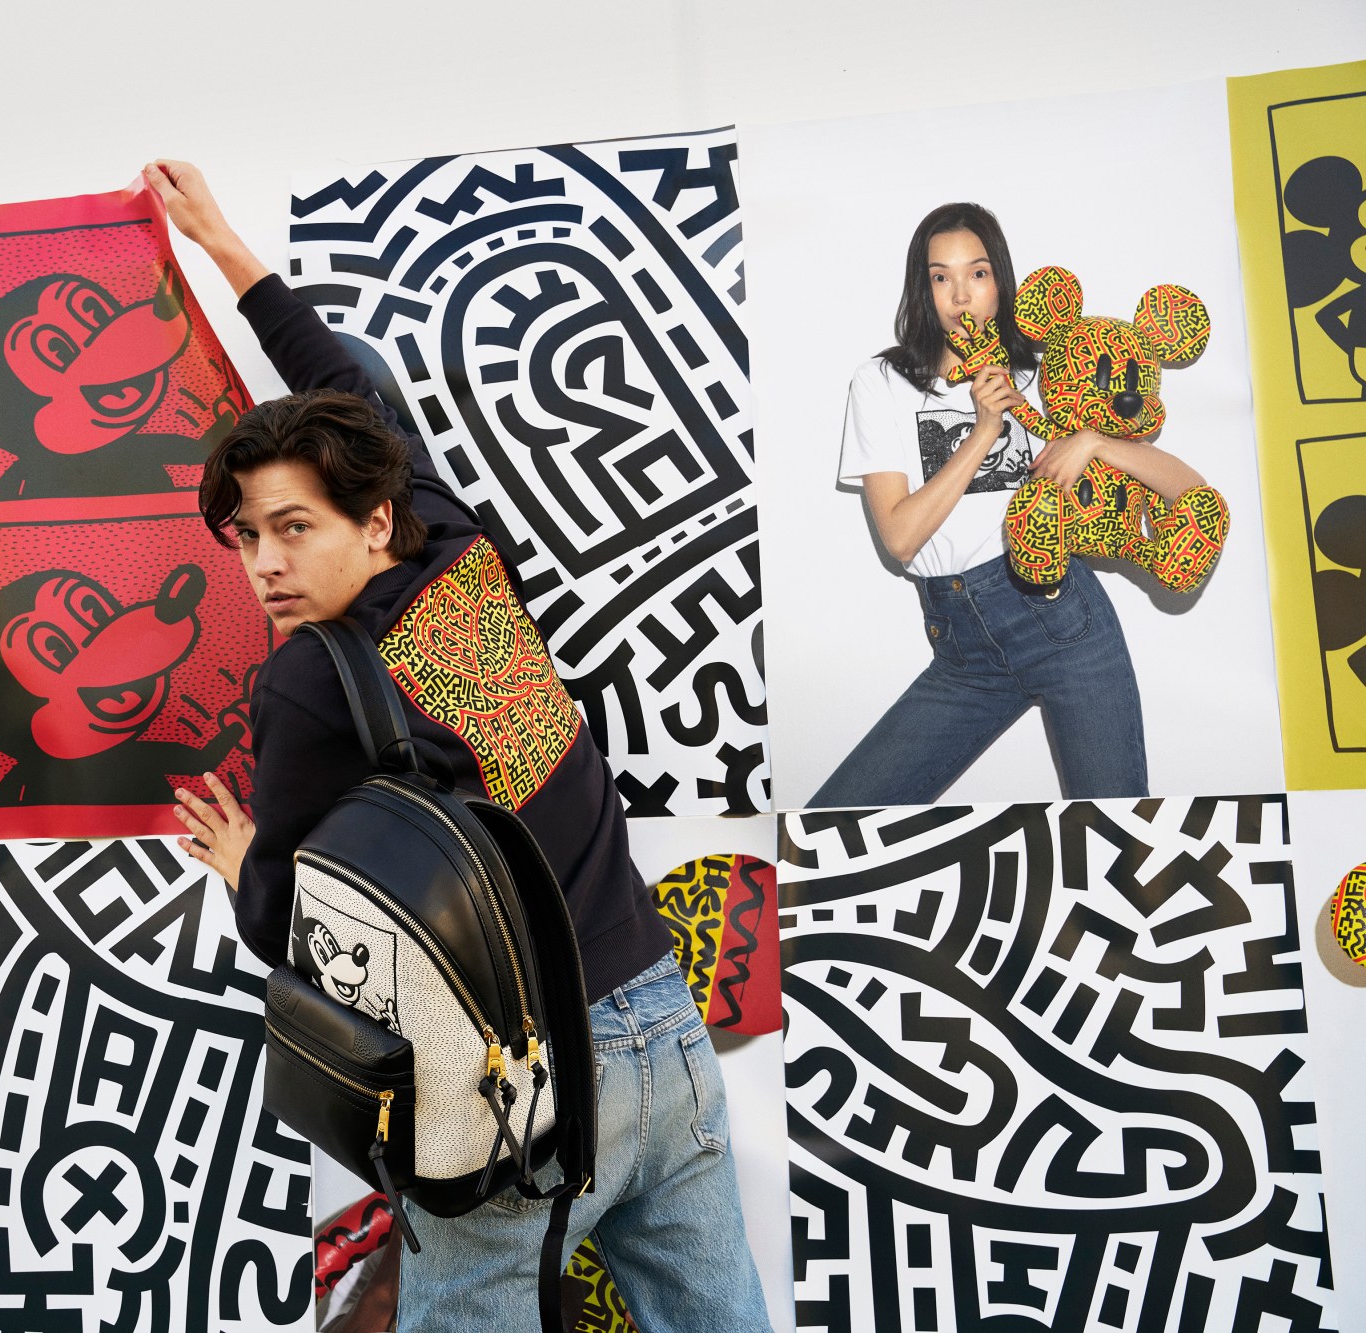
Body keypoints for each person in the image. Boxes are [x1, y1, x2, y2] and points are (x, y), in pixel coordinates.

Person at [145, 159, 771, 1332]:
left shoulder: (308, 682)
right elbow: (346, 387)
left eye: (293, 528)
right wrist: (225, 248)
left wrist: (238, 868)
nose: (266, 565)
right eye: (248, 536)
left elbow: (299, 932)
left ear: (371, 517)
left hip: (522, 1089)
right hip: (664, 1026)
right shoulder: (455, 546)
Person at [809, 202, 1211, 808]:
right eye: (940, 277)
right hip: (962, 645)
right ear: (922, 287)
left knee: (1115, 830)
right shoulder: (883, 381)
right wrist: (983, 430)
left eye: (977, 273)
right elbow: (899, 537)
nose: (960, 295)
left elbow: (1187, 488)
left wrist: (1094, 441)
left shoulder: (1041, 373)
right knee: (837, 821)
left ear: (1000, 280)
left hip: (1063, 620)